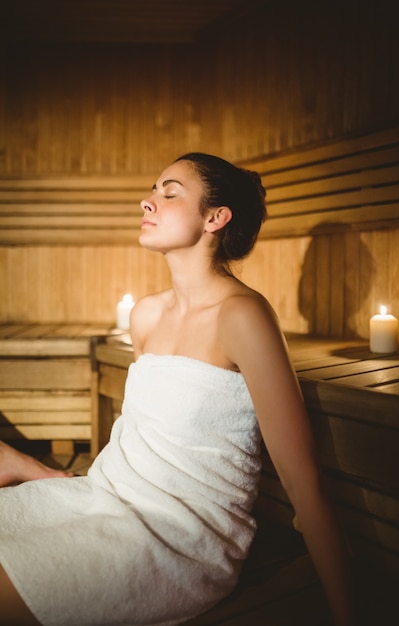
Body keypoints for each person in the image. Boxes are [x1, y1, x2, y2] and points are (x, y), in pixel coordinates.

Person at [0, 153, 355, 626]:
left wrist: (350, 614)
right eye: (152, 191)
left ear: (215, 217)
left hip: (176, 540)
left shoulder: (243, 317)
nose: (147, 202)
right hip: (103, 499)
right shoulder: (146, 315)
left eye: (169, 193)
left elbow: (301, 479)